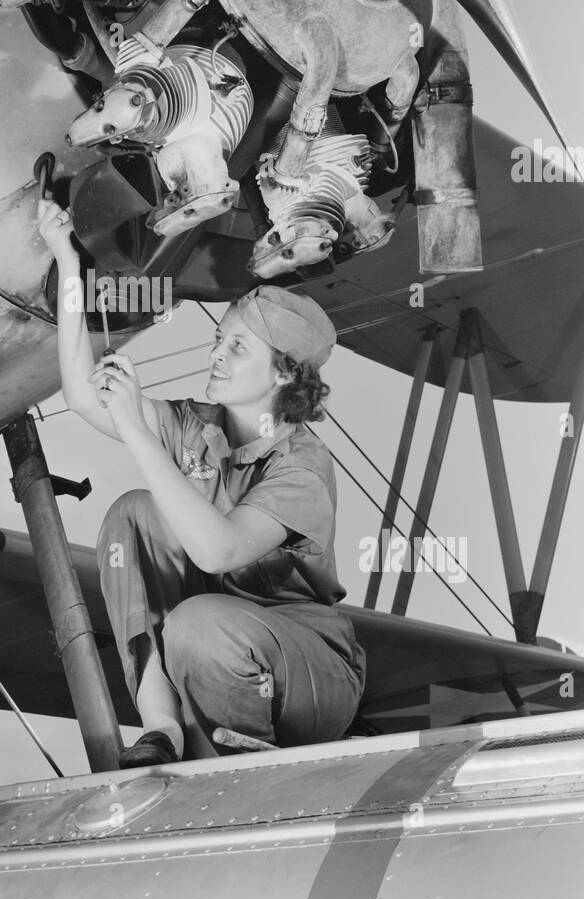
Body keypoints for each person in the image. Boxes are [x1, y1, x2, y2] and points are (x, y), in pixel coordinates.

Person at [37, 198, 366, 767]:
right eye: (220, 338)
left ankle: (233, 768)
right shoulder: (199, 424)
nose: (216, 353)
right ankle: (162, 727)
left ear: (285, 372)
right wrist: (68, 263)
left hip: (308, 672)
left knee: (197, 624)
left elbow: (217, 551)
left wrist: (138, 431)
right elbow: (82, 398)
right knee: (132, 514)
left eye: (237, 347)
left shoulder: (302, 467)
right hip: (215, 641)